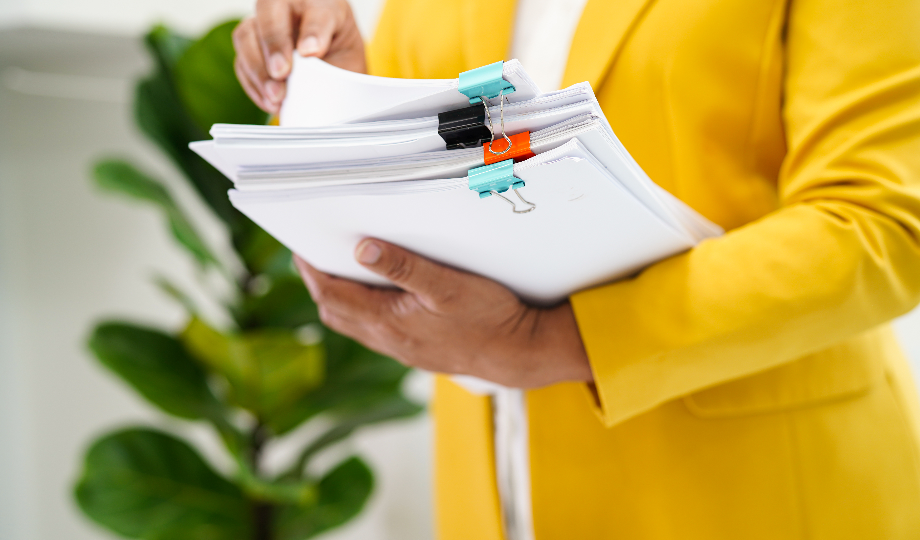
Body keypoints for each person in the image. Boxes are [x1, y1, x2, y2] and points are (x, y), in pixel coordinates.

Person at [232, 0, 920, 538]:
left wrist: (561, 342)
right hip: (494, 492)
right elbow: (456, 152)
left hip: (752, 493)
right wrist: (340, 96)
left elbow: (883, 223)